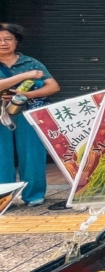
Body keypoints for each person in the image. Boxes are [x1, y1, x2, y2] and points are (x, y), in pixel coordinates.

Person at [0, 23, 60, 206]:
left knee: (33, 154)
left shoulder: (31, 62)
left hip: (27, 114)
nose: (3, 43)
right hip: (1, 115)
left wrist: (27, 94)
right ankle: (4, 199)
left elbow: (54, 86)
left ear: (16, 41)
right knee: (1, 157)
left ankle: (34, 196)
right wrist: (26, 76)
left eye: (8, 39)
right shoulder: (32, 69)